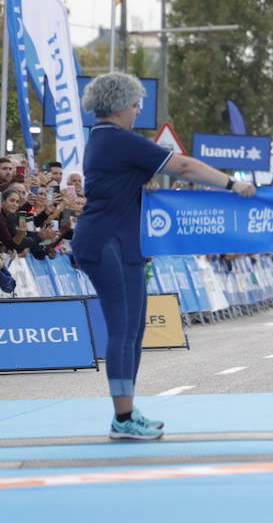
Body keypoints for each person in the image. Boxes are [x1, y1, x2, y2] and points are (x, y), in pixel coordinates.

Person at [71, 72, 256, 441]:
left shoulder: (106, 140)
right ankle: (123, 419)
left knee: (134, 329)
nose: (139, 110)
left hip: (120, 243)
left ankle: (127, 412)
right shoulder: (118, 139)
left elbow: (120, 180)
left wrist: (139, 179)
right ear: (122, 104)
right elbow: (185, 166)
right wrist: (233, 185)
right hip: (107, 242)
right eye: (137, 103)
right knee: (123, 329)